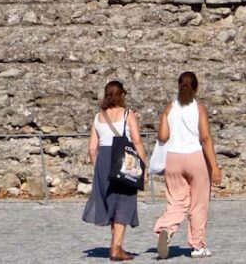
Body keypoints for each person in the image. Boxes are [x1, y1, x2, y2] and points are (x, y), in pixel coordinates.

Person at [153, 71, 222, 259]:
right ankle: (198, 245)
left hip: (173, 158)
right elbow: (205, 138)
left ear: (178, 86)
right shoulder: (199, 108)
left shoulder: (169, 108)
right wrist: (214, 166)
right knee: (199, 204)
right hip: (195, 157)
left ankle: (166, 228)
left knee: (176, 200)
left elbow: (162, 136)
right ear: (196, 88)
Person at [83, 79, 146, 261]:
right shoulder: (128, 114)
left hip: (103, 161)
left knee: (111, 202)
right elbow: (137, 142)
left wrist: (98, 167)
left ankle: (115, 244)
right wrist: (142, 165)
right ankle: (116, 248)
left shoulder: (98, 117)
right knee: (125, 202)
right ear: (122, 95)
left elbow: (92, 148)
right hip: (123, 160)